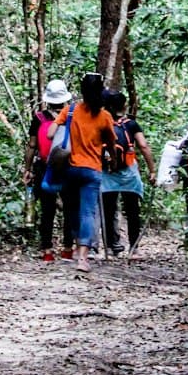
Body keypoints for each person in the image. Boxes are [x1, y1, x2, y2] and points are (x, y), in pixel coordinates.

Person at [51, 72, 117, 274]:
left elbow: (49, 133)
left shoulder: (70, 111)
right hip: (92, 169)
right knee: (88, 212)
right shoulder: (104, 116)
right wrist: (112, 160)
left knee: (72, 211)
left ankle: (73, 246)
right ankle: (83, 257)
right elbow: (111, 143)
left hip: (70, 168)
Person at [25, 78, 75, 261]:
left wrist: (27, 168)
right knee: (70, 207)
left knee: (47, 209)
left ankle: (47, 250)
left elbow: (32, 145)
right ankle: (68, 248)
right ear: (65, 99)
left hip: (44, 166)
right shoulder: (73, 116)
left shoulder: (39, 118)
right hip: (70, 165)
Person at [100, 90, 155, 256]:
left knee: (108, 212)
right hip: (129, 173)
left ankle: (110, 247)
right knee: (132, 211)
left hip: (107, 173)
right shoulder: (131, 124)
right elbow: (143, 146)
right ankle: (134, 247)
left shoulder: (102, 122)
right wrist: (152, 170)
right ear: (124, 106)